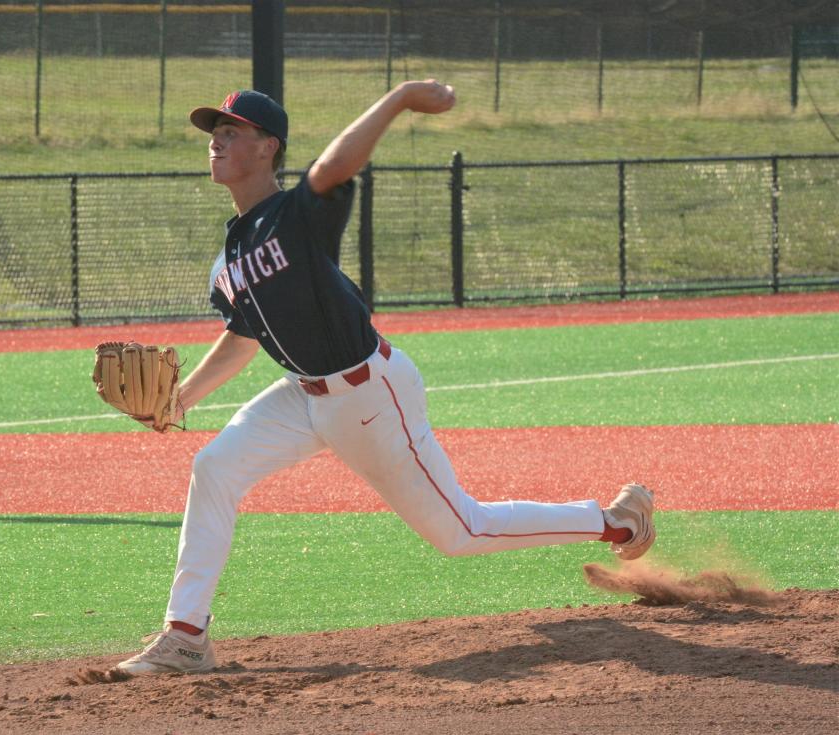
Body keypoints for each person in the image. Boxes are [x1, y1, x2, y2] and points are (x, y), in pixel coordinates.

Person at [114, 82, 656, 676]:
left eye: (230, 133)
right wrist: (179, 398)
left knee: (461, 531)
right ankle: (187, 635)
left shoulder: (295, 216)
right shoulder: (231, 252)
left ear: (268, 147)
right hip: (302, 394)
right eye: (213, 134)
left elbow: (334, 167)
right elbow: (244, 335)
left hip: (368, 392)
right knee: (214, 467)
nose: (215, 143)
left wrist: (398, 99)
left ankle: (615, 521)